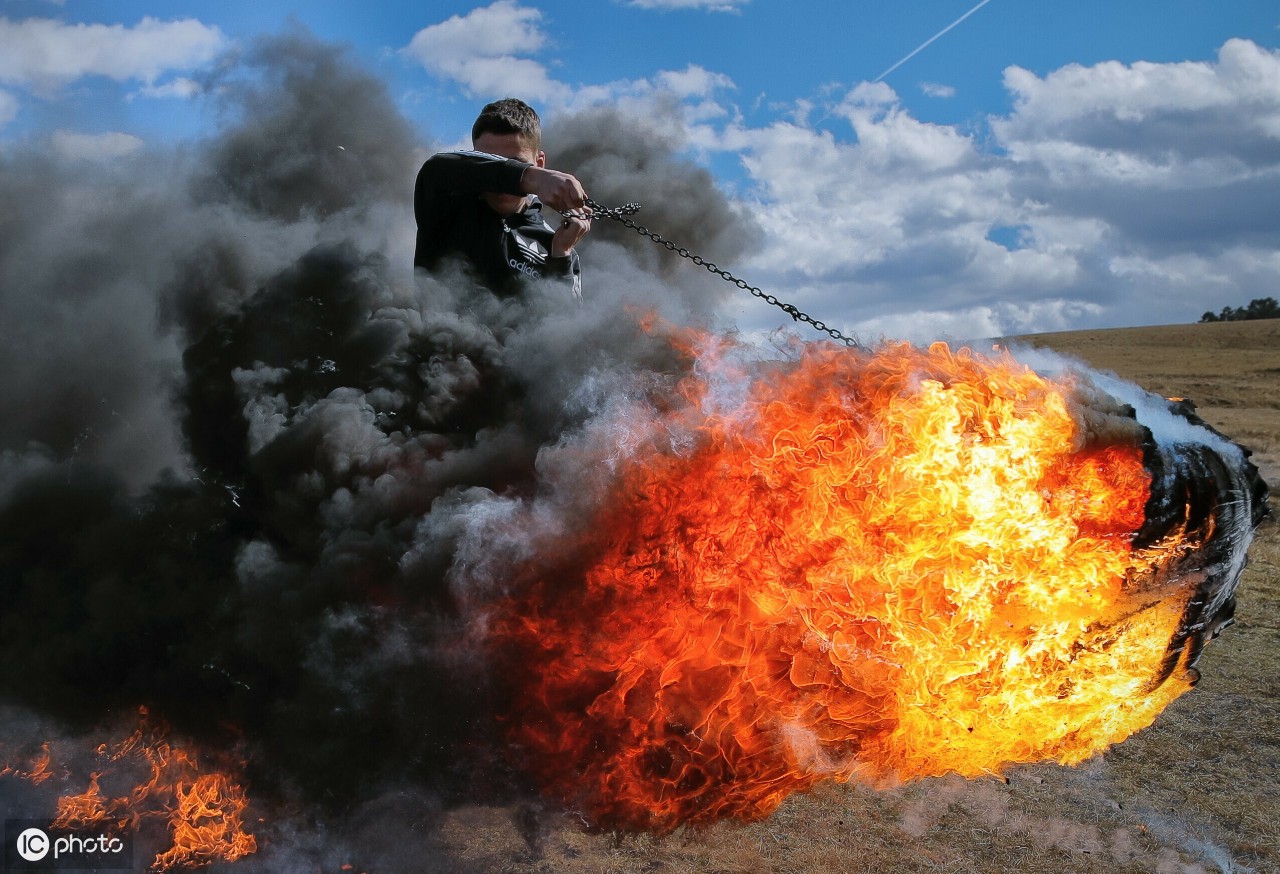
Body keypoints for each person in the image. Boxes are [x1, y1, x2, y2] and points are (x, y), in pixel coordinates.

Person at [413, 98, 592, 300]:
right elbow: (435, 169)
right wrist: (530, 177)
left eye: (517, 163)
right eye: (491, 162)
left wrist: (561, 255)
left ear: (539, 163)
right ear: (477, 162)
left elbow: (569, 323)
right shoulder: (447, 204)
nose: (502, 183)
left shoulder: (555, 242)